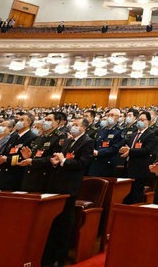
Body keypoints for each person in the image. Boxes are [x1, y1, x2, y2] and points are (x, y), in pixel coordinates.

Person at [41, 117, 94, 267]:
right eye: (72, 124)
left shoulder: (87, 141)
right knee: (55, 221)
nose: (73, 126)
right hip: (57, 184)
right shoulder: (69, 141)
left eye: (77, 124)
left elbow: (83, 163)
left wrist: (64, 161)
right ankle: (49, 256)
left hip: (70, 186)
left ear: (84, 128)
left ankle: (60, 257)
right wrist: (56, 162)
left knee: (64, 223)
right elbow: (61, 159)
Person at [119, 110, 158, 204]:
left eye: (143, 120)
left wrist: (130, 151)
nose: (140, 122)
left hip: (140, 169)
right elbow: (128, 147)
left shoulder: (150, 134)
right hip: (129, 167)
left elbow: (146, 150)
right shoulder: (134, 134)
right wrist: (124, 150)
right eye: (139, 120)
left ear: (148, 122)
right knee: (126, 195)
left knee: (136, 195)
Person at [18, 112, 67, 192]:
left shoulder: (60, 136)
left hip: (44, 176)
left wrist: (32, 161)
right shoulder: (41, 137)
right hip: (31, 174)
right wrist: (29, 156)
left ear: (57, 122)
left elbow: (54, 158)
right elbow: (35, 155)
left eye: (49, 120)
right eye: (45, 120)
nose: (46, 122)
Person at [0, 112, 37, 190]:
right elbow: (5, 151)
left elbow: (24, 158)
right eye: (19, 120)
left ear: (29, 123)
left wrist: (6, 159)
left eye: (22, 120)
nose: (18, 122)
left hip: (16, 174)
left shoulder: (32, 137)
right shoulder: (13, 136)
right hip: (3, 173)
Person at [89, 108, 124, 177]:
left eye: (112, 115)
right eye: (108, 115)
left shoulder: (120, 131)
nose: (109, 117)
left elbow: (115, 148)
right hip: (96, 162)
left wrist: (99, 152)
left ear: (117, 118)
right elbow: (96, 143)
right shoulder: (102, 130)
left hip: (108, 164)